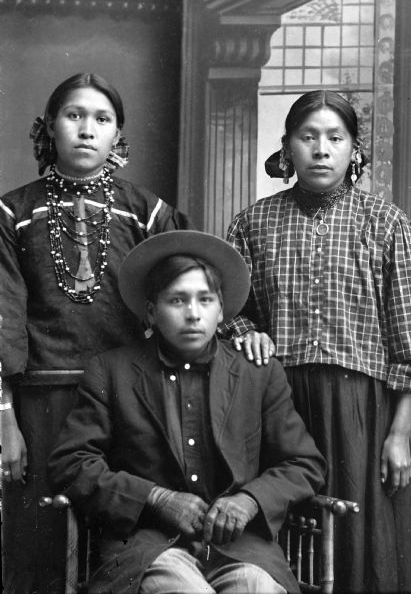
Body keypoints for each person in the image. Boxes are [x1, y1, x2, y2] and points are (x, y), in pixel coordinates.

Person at [221, 90, 411, 593]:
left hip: (360, 414)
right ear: (287, 148)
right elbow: (227, 311)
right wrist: (250, 333)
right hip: (276, 408)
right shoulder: (252, 223)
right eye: (308, 137)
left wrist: (398, 433)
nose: (321, 149)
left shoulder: (387, 224)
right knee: (284, 542)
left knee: (357, 544)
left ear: (355, 151)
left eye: (335, 138)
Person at [47, 230, 326, 594]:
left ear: (221, 309)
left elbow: (303, 463)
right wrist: (156, 498)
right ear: (151, 311)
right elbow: (72, 462)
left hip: (242, 546)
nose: (193, 314)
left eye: (204, 300)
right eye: (177, 301)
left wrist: (249, 500)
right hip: (148, 546)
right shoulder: (112, 371)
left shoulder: (257, 372)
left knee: (255, 588)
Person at [0, 73, 192, 593]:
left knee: (128, 538)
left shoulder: (147, 211)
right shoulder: (12, 213)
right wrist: (5, 418)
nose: (87, 129)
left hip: (131, 399)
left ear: (117, 138)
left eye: (101, 119)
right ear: (49, 130)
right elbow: (3, 315)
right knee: (40, 541)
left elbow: (185, 297)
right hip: (44, 402)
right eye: (74, 116)